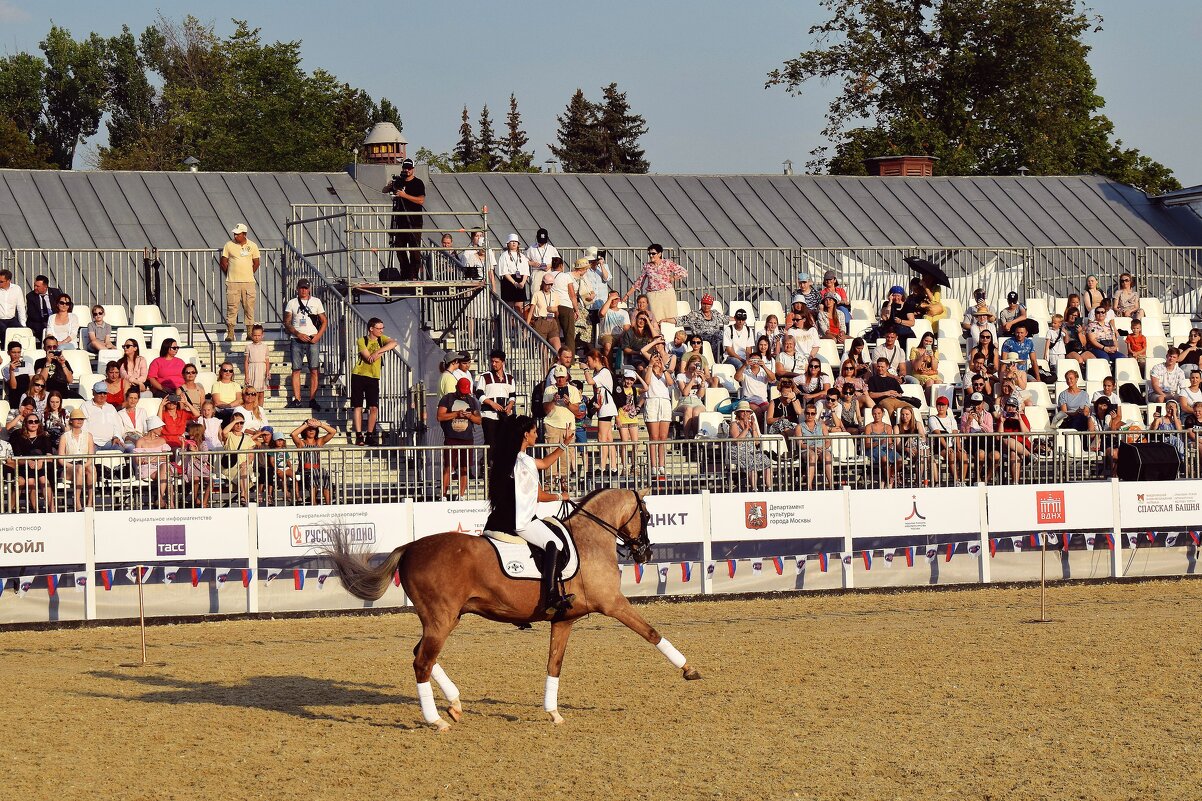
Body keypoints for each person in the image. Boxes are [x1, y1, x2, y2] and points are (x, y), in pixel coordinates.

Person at [483, 414, 576, 617]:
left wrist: (564, 444)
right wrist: (561, 496)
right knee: (555, 543)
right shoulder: (521, 465)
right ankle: (551, 596)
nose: (537, 435)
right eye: (534, 432)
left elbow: (543, 464)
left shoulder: (521, 459)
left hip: (517, 516)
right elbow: (540, 496)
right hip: (521, 520)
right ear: (526, 435)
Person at [352, 317, 397, 446]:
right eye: (379, 328)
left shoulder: (381, 339)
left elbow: (393, 343)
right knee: (358, 406)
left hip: (373, 377)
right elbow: (368, 358)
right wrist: (381, 352)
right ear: (371, 329)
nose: (381, 331)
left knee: (373, 407)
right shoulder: (362, 340)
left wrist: (378, 351)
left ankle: (370, 434)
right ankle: (359, 434)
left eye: (382, 328)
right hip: (359, 375)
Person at [437, 377, 482, 501]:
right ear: (456, 387)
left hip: (467, 438)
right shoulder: (447, 398)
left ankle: (461, 495)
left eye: (465, 392)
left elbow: (478, 420)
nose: (463, 394)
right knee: (448, 467)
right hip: (451, 437)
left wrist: (470, 416)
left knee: (464, 467)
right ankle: (444, 495)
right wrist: (456, 414)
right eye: (462, 391)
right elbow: (440, 416)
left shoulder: (472, 401)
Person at [384, 158, 425, 281]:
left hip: (414, 221)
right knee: (399, 247)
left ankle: (413, 275)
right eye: (405, 168)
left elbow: (421, 200)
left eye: (409, 168)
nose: (406, 170)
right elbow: (384, 190)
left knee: (414, 249)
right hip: (401, 221)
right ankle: (405, 272)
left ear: (413, 169)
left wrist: (404, 195)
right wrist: (391, 185)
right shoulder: (400, 182)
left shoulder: (418, 183)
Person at [219, 223, 261, 341]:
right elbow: (223, 261)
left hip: (248, 282)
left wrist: (249, 273)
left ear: (244, 234)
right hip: (233, 282)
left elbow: (256, 262)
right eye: (235, 234)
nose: (236, 236)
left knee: (249, 307)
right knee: (232, 307)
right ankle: (230, 333)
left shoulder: (252, 245)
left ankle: (249, 332)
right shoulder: (229, 245)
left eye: (238, 234)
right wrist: (230, 273)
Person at [542, 364, 581, 483]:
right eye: (558, 377)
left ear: (567, 377)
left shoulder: (573, 390)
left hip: (567, 426)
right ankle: (550, 480)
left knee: (566, 455)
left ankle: (564, 480)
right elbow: (546, 409)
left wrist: (568, 403)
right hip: (552, 425)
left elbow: (577, 411)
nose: (560, 380)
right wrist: (553, 400)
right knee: (551, 452)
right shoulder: (549, 390)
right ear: (554, 376)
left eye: (562, 377)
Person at [628, 244, 686, 324]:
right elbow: (639, 282)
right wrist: (627, 295)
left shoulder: (667, 263)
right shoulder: (647, 266)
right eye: (649, 254)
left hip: (667, 293)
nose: (651, 255)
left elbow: (683, 271)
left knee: (671, 317)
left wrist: (673, 278)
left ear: (659, 254)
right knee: (655, 319)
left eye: (653, 253)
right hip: (653, 295)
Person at [11, 412, 55, 512]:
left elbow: (50, 456)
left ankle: (52, 509)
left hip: (42, 466)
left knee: (43, 479)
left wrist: (40, 460)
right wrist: (28, 461)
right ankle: (36, 509)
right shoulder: (19, 437)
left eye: (36, 421)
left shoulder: (44, 436)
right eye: (30, 422)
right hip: (25, 466)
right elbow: (17, 458)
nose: (33, 423)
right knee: (31, 480)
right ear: (25, 423)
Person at [640, 350, 674, 479]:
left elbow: (670, 383)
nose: (658, 361)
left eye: (659, 358)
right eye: (655, 358)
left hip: (665, 402)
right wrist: (650, 365)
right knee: (653, 436)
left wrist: (663, 369)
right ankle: (653, 466)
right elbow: (647, 382)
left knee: (663, 437)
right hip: (652, 401)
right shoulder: (646, 370)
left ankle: (662, 466)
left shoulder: (666, 373)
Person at [292, 418, 338, 505]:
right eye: (309, 429)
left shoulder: (319, 442)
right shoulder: (301, 443)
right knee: (315, 473)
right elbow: (293, 434)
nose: (311, 431)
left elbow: (333, 432)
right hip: (304, 471)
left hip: (317, 470)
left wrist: (320, 424)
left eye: (313, 429)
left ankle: (328, 503)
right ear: (305, 431)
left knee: (324, 473)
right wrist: (306, 424)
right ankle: (314, 502)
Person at [729, 400, 773, 491]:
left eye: (747, 411)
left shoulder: (753, 424)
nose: (745, 413)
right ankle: (754, 488)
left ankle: (769, 487)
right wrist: (746, 429)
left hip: (752, 451)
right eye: (742, 411)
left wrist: (753, 429)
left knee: (766, 461)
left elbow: (756, 442)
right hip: (738, 451)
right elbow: (737, 442)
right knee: (751, 462)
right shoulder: (734, 424)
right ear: (738, 413)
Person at [476, 350, 516, 447]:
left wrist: (510, 405)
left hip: (505, 415)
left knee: (504, 442)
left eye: (496, 362)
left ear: (503, 362)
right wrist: (491, 403)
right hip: (489, 414)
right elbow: (479, 394)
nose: (494, 364)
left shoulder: (510, 378)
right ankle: (488, 461)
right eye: (492, 361)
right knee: (490, 442)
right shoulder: (485, 376)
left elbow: (512, 395)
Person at [59, 407, 95, 510]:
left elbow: (91, 457)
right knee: (79, 468)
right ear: (71, 420)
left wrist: (83, 466)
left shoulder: (88, 436)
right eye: (77, 418)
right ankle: (77, 502)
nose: (79, 421)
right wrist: (75, 466)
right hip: (68, 467)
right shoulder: (64, 436)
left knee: (91, 469)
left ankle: (89, 502)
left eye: (81, 419)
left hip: (84, 465)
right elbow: (61, 459)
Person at [959, 392, 998, 483]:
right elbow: (964, 434)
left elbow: (990, 432)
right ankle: (977, 478)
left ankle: (985, 480)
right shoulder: (965, 415)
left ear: (983, 403)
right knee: (981, 454)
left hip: (986, 441)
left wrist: (981, 423)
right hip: (973, 441)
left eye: (978, 403)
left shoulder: (988, 415)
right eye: (974, 403)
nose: (976, 406)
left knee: (996, 456)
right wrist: (969, 421)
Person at [928, 396, 966, 486]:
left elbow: (955, 433)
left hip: (951, 446)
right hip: (939, 447)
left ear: (947, 407)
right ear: (936, 406)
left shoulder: (951, 419)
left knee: (963, 455)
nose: (941, 407)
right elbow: (938, 434)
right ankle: (956, 481)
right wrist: (947, 447)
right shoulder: (932, 419)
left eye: (943, 405)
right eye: (939, 405)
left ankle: (962, 480)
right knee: (951, 454)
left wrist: (959, 447)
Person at [613, 368, 645, 475]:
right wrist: (617, 417)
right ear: (624, 378)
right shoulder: (618, 389)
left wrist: (638, 376)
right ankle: (624, 467)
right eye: (627, 379)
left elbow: (646, 388)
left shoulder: (635, 390)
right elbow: (615, 404)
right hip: (622, 417)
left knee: (635, 443)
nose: (629, 382)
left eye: (632, 380)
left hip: (633, 418)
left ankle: (634, 466)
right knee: (624, 444)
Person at [81, 380, 125, 452]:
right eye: (99, 393)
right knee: (88, 451)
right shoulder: (85, 406)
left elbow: (117, 425)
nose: (102, 395)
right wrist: (89, 441)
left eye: (104, 393)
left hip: (109, 442)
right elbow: (83, 426)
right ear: (93, 393)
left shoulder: (111, 407)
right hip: (92, 443)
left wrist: (116, 436)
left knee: (120, 448)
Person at [179, 421, 213, 508]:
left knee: (211, 481)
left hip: (201, 467)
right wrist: (183, 445)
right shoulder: (189, 444)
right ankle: (194, 499)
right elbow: (183, 456)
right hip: (191, 467)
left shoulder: (203, 444)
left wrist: (196, 452)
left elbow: (205, 459)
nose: (189, 434)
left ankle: (204, 502)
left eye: (191, 433)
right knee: (196, 478)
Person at [550, 258, 580, 354]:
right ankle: (569, 359)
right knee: (569, 334)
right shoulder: (566, 276)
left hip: (552, 306)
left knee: (554, 334)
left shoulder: (547, 275)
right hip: (565, 305)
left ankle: (555, 356)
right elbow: (572, 294)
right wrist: (576, 309)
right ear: (561, 266)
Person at [526, 272, 562, 349]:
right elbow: (531, 312)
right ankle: (546, 361)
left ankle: (555, 360)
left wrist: (555, 310)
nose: (549, 286)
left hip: (552, 322)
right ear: (543, 283)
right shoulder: (537, 294)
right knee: (543, 350)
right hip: (540, 322)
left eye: (551, 284)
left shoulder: (555, 295)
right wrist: (526, 327)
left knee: (558, 348)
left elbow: (557, 314)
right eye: (547, 284)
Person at [496, 234, 530, 312]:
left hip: (520, 281)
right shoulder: (504, 256)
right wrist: (514, 283)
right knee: (509, 306)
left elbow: (526, 271)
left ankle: (519, 324)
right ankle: (509, 323)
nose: (514, 243)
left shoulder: (522, 256)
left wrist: (523, 282)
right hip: (509, 281)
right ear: (508, 244)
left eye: (515, 241)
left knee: (519, 306)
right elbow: (504, 272)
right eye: (512, 242)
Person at [25, 275, 62, 340]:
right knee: (40, 328)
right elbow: (31, 313)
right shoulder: (30, 296)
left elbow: (66, 303)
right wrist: (46, 321)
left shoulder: (55, 292)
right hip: (38, 321)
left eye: (38, 286)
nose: (35, 288)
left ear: (45, 286)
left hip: (55, 319)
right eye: (35, 285)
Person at [0, 269, 27, 346]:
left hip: (11, 319)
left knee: (21, 331)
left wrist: (23, 324)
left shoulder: (16, 289)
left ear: (8, 281)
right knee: (4, 331)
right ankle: (5, 350)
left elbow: (21, 307)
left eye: (1, 281)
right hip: (0, 320)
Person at [2, 341, 32, 406]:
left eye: (19, 352)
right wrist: (11, 371)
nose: (16, 355)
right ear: (8, 353)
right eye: (13, 352)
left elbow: (32, 382)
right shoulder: (5, 368)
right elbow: (13, 386)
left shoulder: (28, 365)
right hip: (15, 395)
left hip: (28, 394)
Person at [244, 324, 270, 395]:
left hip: (262, 370)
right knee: (253, 392)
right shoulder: (248, 347)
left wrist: (268, 372)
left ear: (262, 335)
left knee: (261, 393)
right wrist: (246, 375)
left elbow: (267, 361)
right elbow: (246, 362)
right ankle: (254, 406)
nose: (257, 337)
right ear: (252, 335)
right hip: (252, 369)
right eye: (255, 335)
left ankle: (260, 406)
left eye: (259, 335)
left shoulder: (265, 347)